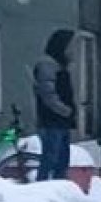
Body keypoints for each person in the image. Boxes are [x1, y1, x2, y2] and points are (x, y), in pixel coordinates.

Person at [34, 29, 76, 181]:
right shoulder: (47, 66)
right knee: (50, 159)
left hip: (62, 122)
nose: (72, 51)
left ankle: (59, 190)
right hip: (51, 121)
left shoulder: (60, 66)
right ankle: (43, 190)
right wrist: (65, 110)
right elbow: (48, 94)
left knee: (62, 161)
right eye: (70, 47)